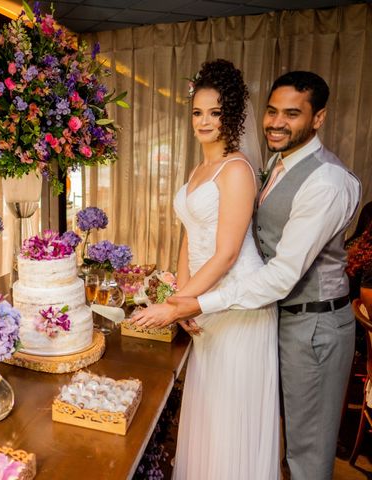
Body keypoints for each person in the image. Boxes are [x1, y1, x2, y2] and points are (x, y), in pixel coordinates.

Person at [135, 71, 361, 480]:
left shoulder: (326, 181)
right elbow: (204, 235)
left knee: (305, 448)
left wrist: (190, 303)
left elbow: (274, 272)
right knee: (240, 420)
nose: (276, 122)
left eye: (292, 114)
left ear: (319, 118)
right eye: (272, 111)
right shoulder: (277, 163)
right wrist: (186, 298)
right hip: (256, 306)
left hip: (312, 322)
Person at [133, 59, 280, 479]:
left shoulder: (236, 169)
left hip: (237, 307)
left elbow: (227, 253)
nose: (204, 121)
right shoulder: (200, 170)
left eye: (215, 112)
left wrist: (182, 304)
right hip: (204, 302)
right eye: (197, 112)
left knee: (231, 413)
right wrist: (183, 294)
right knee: (210, 410)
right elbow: (188, 236)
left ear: (232, 115)